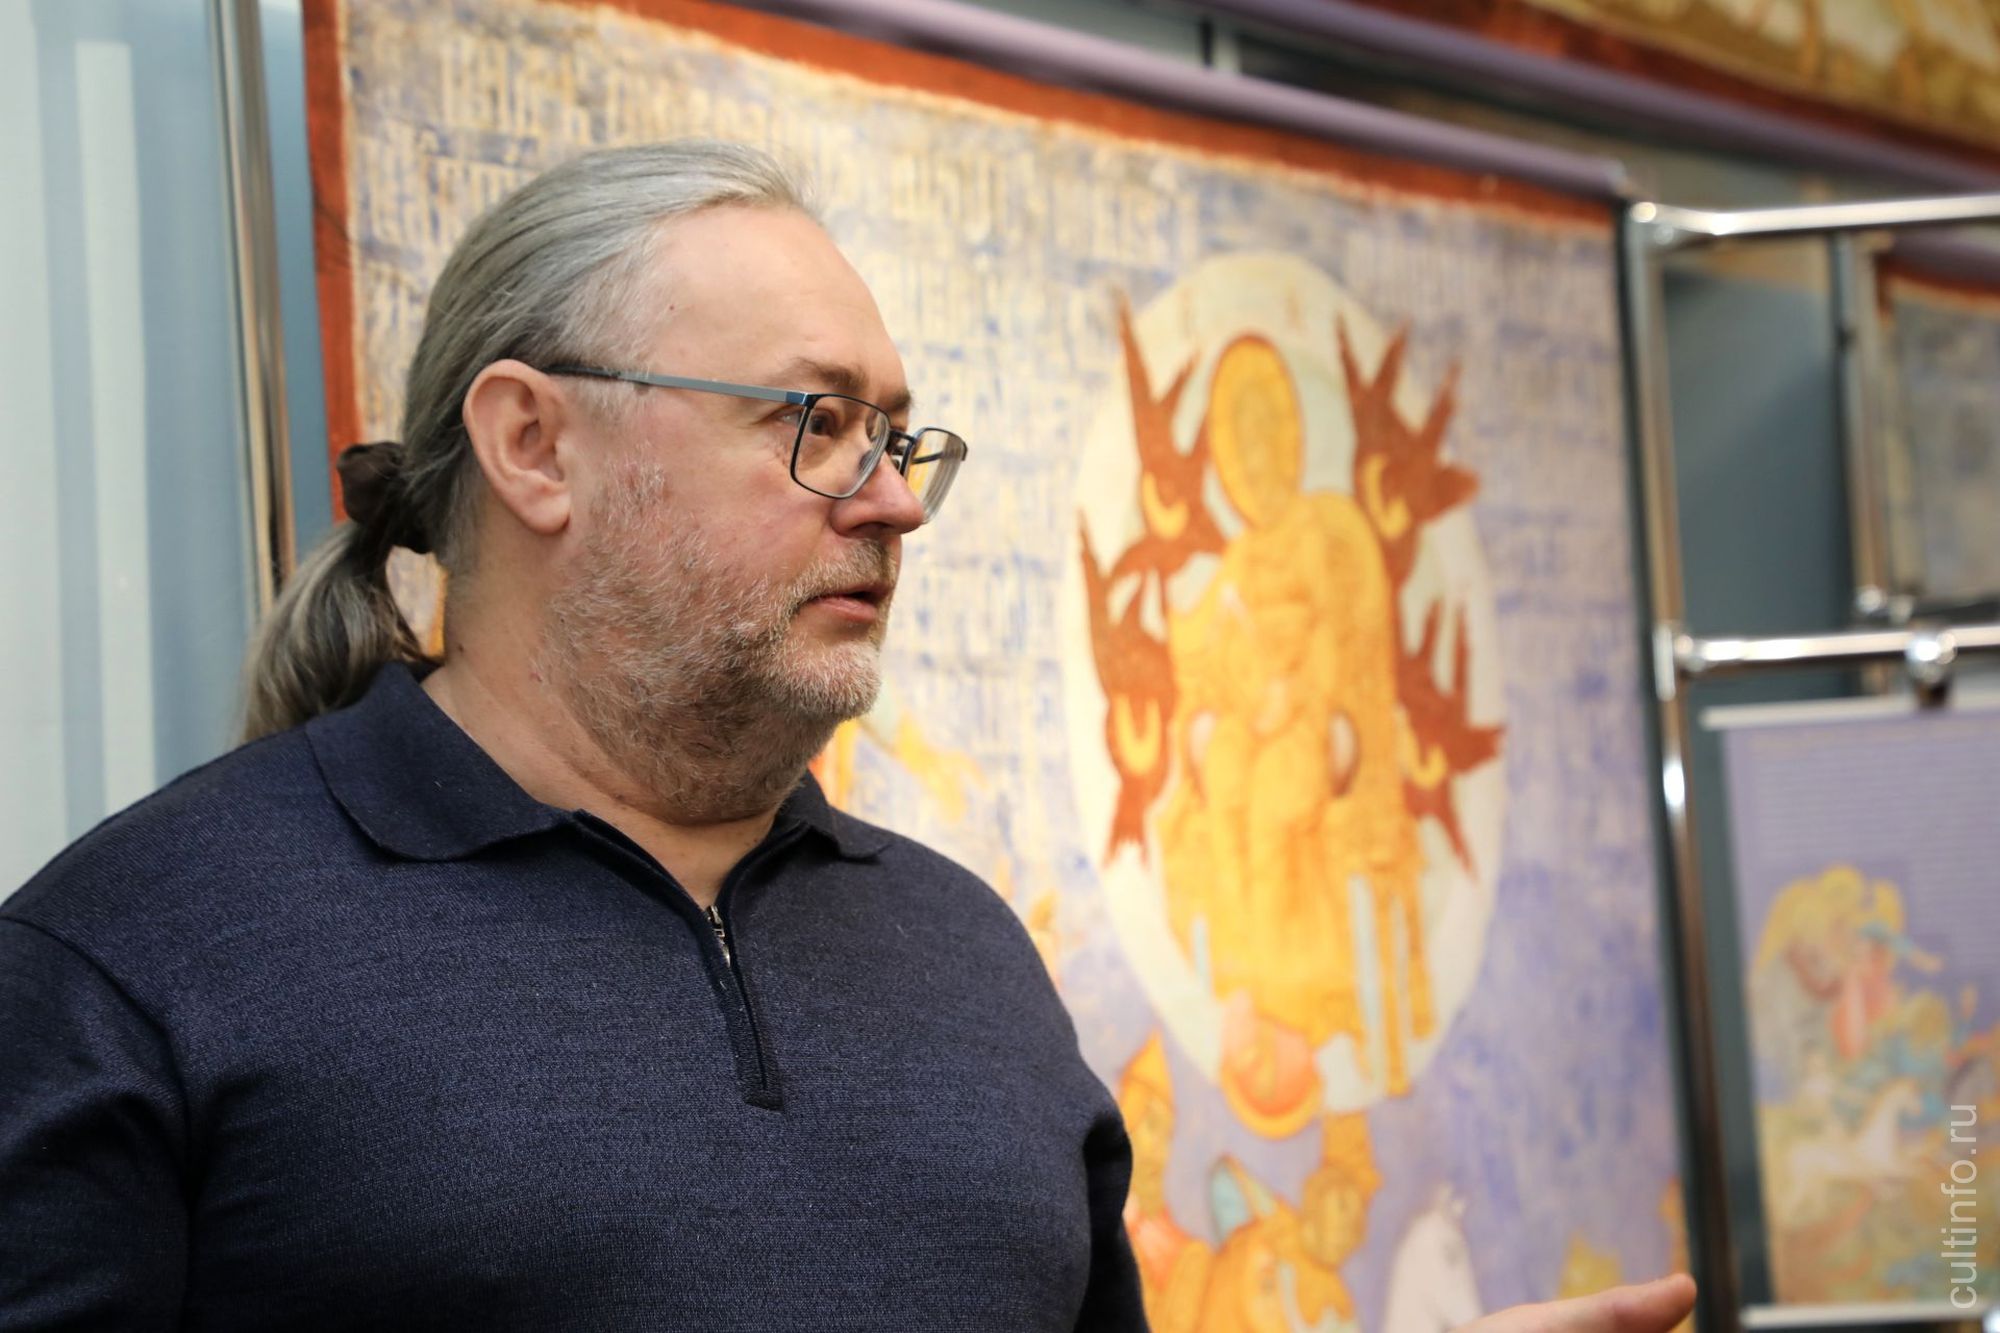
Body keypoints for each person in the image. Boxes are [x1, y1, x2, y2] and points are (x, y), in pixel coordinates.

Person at [0, 140, 1697, 1333]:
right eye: (815, 422)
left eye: (898, 434)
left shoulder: (967, 957)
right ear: (534, 446)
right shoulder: (135, 961)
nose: (893, 502)